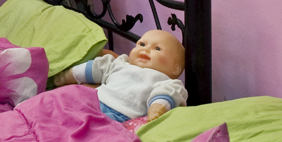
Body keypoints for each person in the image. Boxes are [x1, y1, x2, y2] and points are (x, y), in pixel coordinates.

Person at [53, 29, 188, 122]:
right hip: (91, 100)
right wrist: (66, 76)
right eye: (142, 44)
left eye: (157, 48)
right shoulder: (121, 63)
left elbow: (168, 93)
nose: (145, 49)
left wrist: (157, 107)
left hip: (119, 116)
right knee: (61, 101)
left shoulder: (165, 81)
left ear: (176, 68)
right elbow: (96, 68)